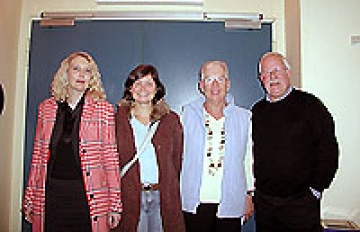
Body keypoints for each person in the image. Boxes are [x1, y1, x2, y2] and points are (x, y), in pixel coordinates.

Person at [22, 51, 122, 232]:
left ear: (92, 77)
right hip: (51, 193)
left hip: (87, 194)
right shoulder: (46, 109)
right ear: (65, 73)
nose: (82, 75)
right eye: (76, 69)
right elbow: (38, 157)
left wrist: (115, 204)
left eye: (87, 71)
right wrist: (29, 197)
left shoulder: (104, 110)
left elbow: (111, 160)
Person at [251, 52, 339, 232]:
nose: (272, 77)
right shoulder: (256, 112)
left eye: (277, 70)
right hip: (265, 204)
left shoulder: (311, 106)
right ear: (261, 79)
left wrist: (316, 189)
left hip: (301, 204)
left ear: (288, 73)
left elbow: (328, 150)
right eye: (266, 73)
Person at [181, 60, 254, 232]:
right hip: (195, 203)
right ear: (201, 85)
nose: (215, 85)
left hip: (230, 202)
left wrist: (249, 194)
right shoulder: (186, 115)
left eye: (220, 79)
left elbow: (248, 159)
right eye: (209, 79)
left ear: (228, 84)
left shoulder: (245, 118)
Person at [113, 64, 185, 232]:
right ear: (130, 89)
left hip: (162, 196)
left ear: (156, 89)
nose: (143, 88)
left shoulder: (171, 120)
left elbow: (177, 161)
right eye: (138, 83)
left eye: (149, 83)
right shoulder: (118, 120)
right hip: (129, 196)